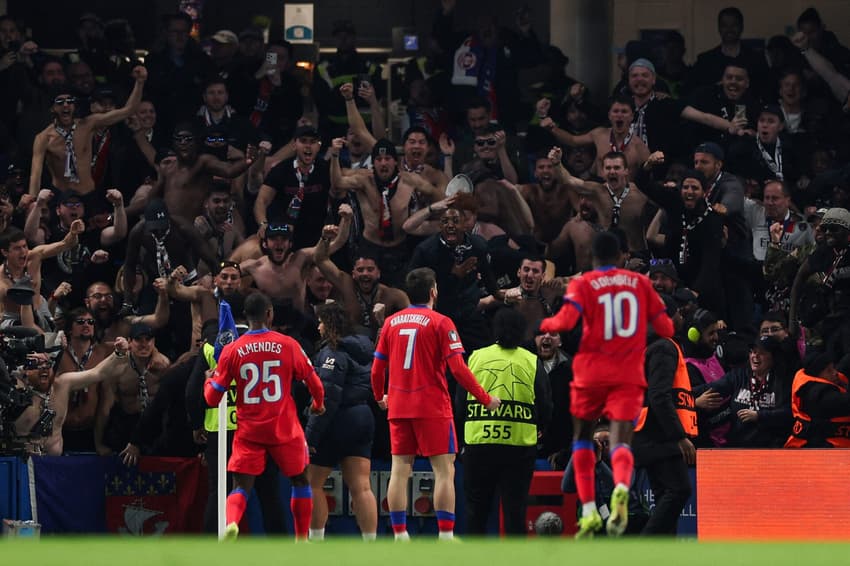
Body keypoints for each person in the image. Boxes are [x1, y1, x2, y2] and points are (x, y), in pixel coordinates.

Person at [538, 230, 673, 538]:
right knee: (622, 443)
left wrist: (547, 321)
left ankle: (587, 511)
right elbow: (665, 327)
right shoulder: (640, 283)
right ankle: (622, 489)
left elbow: (564, 324)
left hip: (591, 374)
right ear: (621, 255)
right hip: (627, 374)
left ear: (593, 257)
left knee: (584, 441)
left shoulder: (584, 284)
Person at [370, 267, 500, 540]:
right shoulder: (441, 322)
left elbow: (377, 368)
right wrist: (485, 399)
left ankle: (399, 535)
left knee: (399, 470)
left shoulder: (391, 323)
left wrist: (379, 395)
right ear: (433, 292)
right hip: (432, 407)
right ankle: (445, 537)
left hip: (399, 406)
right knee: (443, 471)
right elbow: (459, 370)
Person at [204, 292, 326, 540]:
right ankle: (302, 539)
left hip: (249, 430)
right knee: (300, 480)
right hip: (284, 428)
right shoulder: (288, 344)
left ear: (247, 317)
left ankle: (232, 523)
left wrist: (209, 382)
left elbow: (212, 399)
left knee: (240, 487)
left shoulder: (232, 350)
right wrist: (318, 404)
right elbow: (314, 382)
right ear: (269, 314)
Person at [463, 307, 552, 535]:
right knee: (515, 512)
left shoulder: (476, 357)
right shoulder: (531, 361)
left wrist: (462, 432)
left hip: (479, 443)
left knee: (476, 511)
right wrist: (541, 427)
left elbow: (459, 400)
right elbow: (545, 402)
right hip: (519, 447)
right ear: (523, 331)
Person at [306, 302, 378, 541]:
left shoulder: (332, 352)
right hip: (363, 418)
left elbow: (326, 398)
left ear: (330, 325)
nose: (318, 327)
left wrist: (310, 437)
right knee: (362, 486)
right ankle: (370, 545)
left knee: (312, 483)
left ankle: (315, 542)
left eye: (321, 322)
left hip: (338, 420)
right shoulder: (365, 349)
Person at [28, 65, 147, 198]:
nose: (66, 105)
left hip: (90, 195)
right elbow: (35, 176)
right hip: (61, 197)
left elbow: (128, 110)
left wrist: (140, 82)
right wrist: (32, 203)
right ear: (52, 108)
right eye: (60, 102)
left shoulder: (88, 124)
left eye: (70, 101)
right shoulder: (43, 138)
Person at [633, 295, 697, 535]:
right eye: (678, 313)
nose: (681, 317)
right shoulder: (664, 347)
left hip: (646, 433)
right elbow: (659, 396)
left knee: (664, 499)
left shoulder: (650, 346)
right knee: (679, 490)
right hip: (658, 435)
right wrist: (679, 436)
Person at [785, 351, 850, 448]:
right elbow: (845, 402)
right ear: (817, 375)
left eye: (833, 368)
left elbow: (844, 365)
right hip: (820, 448)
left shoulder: (827, 379)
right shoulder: (818, 395)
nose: (835, 373)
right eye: (829, 370)